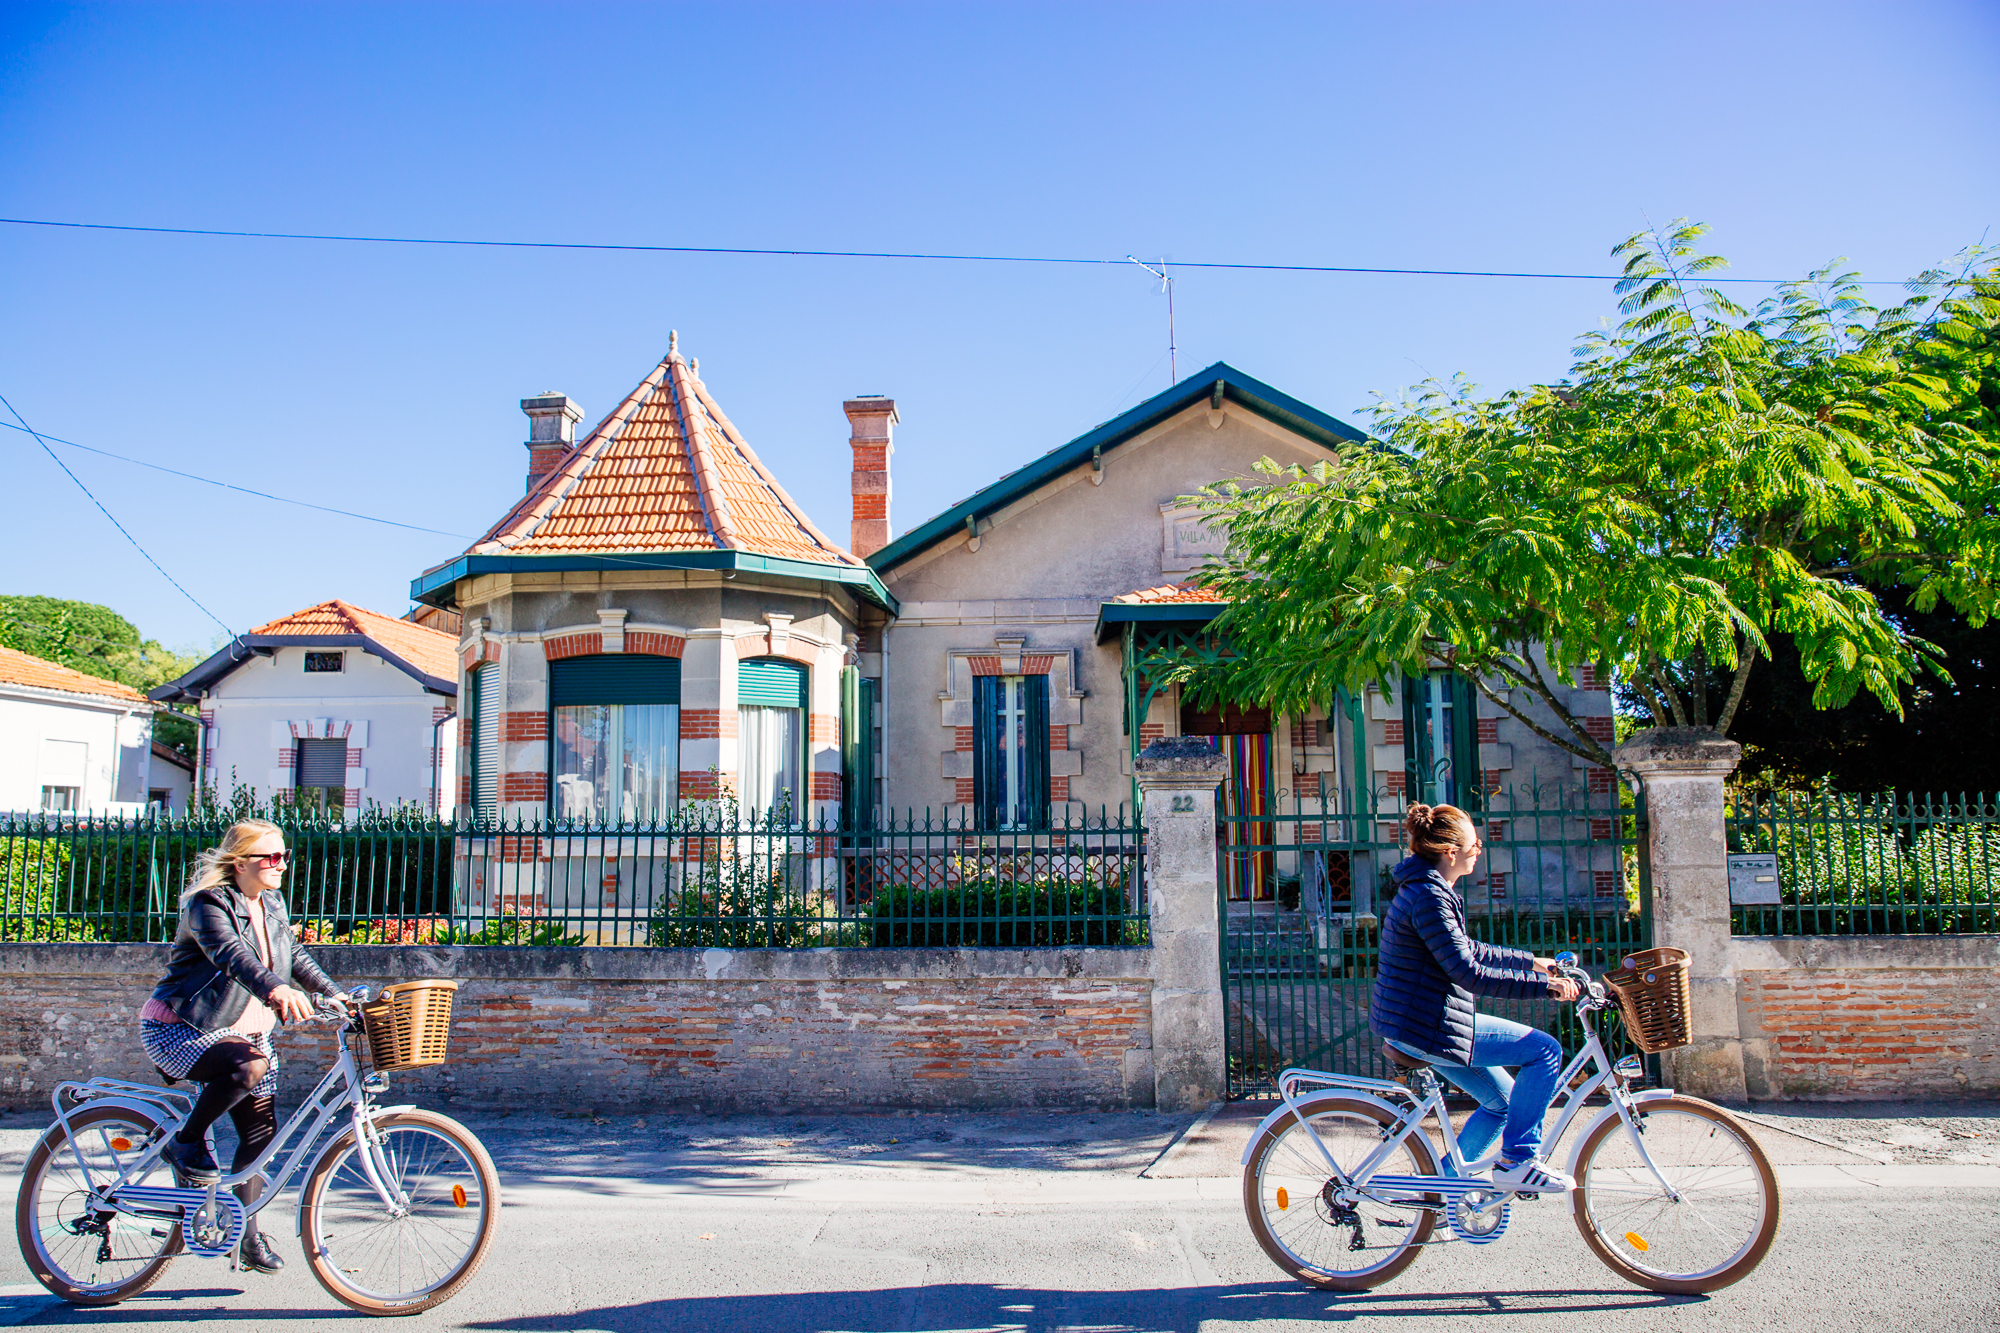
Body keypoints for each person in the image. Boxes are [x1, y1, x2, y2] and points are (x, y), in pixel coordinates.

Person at [141, 819, 342, 1274]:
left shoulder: (270, 903)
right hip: (184, 1027)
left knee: (260, 1138)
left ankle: (246, 1236)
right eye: (271, 857)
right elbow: (232, 955)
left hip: (247, 1033)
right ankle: (186, 1142)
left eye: (285, 857)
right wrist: (276, 990)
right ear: (240, 861)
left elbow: (295, 956)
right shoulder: (207, 904)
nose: (281, 866)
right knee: (248, 1067)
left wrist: (334, 993)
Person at [1370, 802, 1582, 1193]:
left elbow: (1466, 949)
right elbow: (1469, 973)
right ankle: (1518, 1161)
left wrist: (1533, 963)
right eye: (1475, 843)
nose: (1479, 849)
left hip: (1418, 1022)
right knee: (1546, 1051)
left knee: (1501, 1103)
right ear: (1451, 852)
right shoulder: (1429, 897)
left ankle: (1441, 1195)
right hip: (1427, 1026)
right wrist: (1544, 988)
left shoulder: (1429, 890)